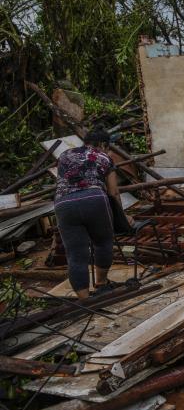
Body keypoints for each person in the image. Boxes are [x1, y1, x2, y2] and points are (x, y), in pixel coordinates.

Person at [54, 125, 123, 299]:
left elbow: (63, 180)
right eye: (107, 146)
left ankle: (85, 300)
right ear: (102, 144)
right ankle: (101, 283)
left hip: (64, 204)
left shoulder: (64, 155)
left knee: (76, 254)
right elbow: (113, 192)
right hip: (94, 199)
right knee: (103, 242)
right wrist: (121, 217)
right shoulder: (104, 157)